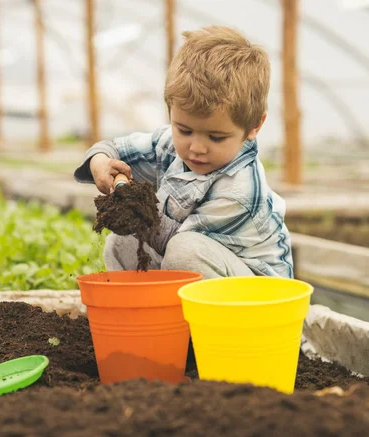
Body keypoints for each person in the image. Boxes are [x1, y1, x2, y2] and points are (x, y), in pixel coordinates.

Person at [74, 25, 293, 279]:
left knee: (184, 251)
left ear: (254, 126)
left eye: (216, 137)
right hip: (194, 273)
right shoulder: (169, 143)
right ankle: (143, 314)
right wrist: (100, 161)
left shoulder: (239, 190)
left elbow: (175, 243)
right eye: (185, 130)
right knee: (121, 243)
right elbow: (114, 149)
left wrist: (134, 204)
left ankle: (197, 320)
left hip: (255, 296)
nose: (196, 147)